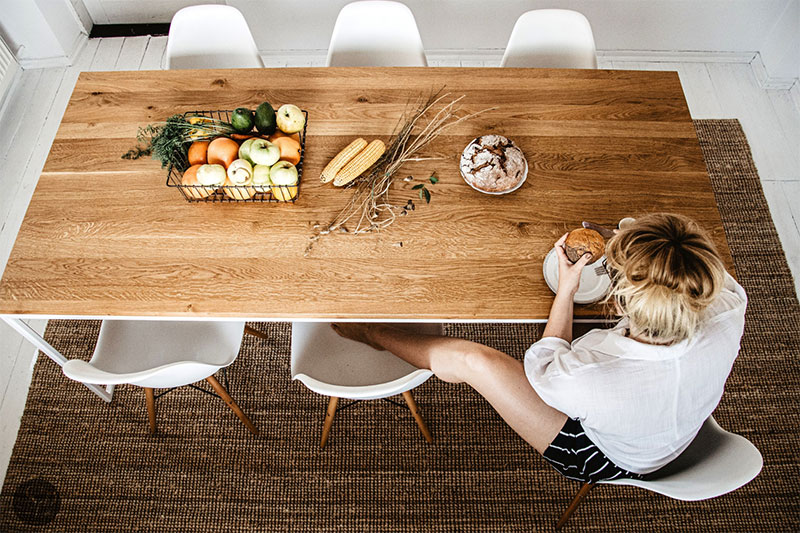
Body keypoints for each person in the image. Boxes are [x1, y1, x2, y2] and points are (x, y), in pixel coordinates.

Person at [331, 213, 747, 482]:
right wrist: (637, 235)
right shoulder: (729, 306)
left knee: (472, 360)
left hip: (606, 456)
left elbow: (547, 359)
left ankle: (371, 332)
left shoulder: (587, 376)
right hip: (670, 425)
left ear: (619, 299)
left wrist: (566, 290)